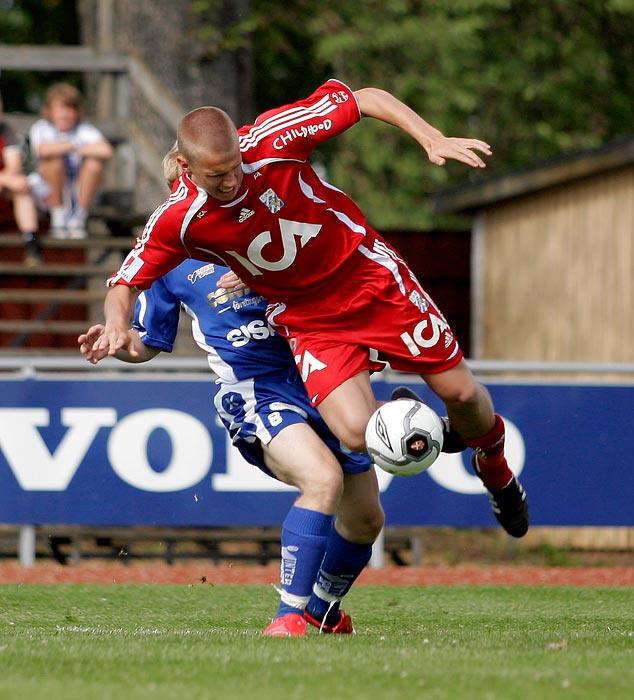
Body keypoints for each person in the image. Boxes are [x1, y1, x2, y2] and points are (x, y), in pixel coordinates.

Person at [95, 79, 529, 542]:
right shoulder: (177, 219)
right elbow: (124, 282)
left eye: (235, 167)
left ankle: (494, 463)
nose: (232, 181)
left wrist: (430, 137)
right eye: (217, 175)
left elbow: (365, 99)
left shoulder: (272, 140)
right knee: (358, 434)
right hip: (307, 315)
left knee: (461, 394)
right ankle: (415, 422)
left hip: (366, 278)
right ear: (186, 167)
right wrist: (116, 324)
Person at [79, 148, 384, 637]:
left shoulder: (272, 223)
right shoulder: (170, 256)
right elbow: (149, 342)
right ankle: (287, 618)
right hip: (257, 390)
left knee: (366, 519)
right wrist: (117, 343)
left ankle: (322, 607)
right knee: (322, 481)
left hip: (323, 374)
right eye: (190, 188)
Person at [29, 82, 113, 239]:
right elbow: (42, 150)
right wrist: (74, 145)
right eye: (59, 108)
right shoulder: (41, 128)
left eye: (69, 109)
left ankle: (78, 218)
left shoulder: (84, 129)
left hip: (79, 190)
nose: (64, 114)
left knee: (94, 163)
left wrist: (73, 147)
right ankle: (58, 216)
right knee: (53, 161)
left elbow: (106, 150)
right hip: (46, 194)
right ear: (50, 111)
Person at [0, 92, 41, 265]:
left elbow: (14, 167)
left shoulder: (5, 131)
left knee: (22, 188)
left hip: (4, 191)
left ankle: (31, 242)